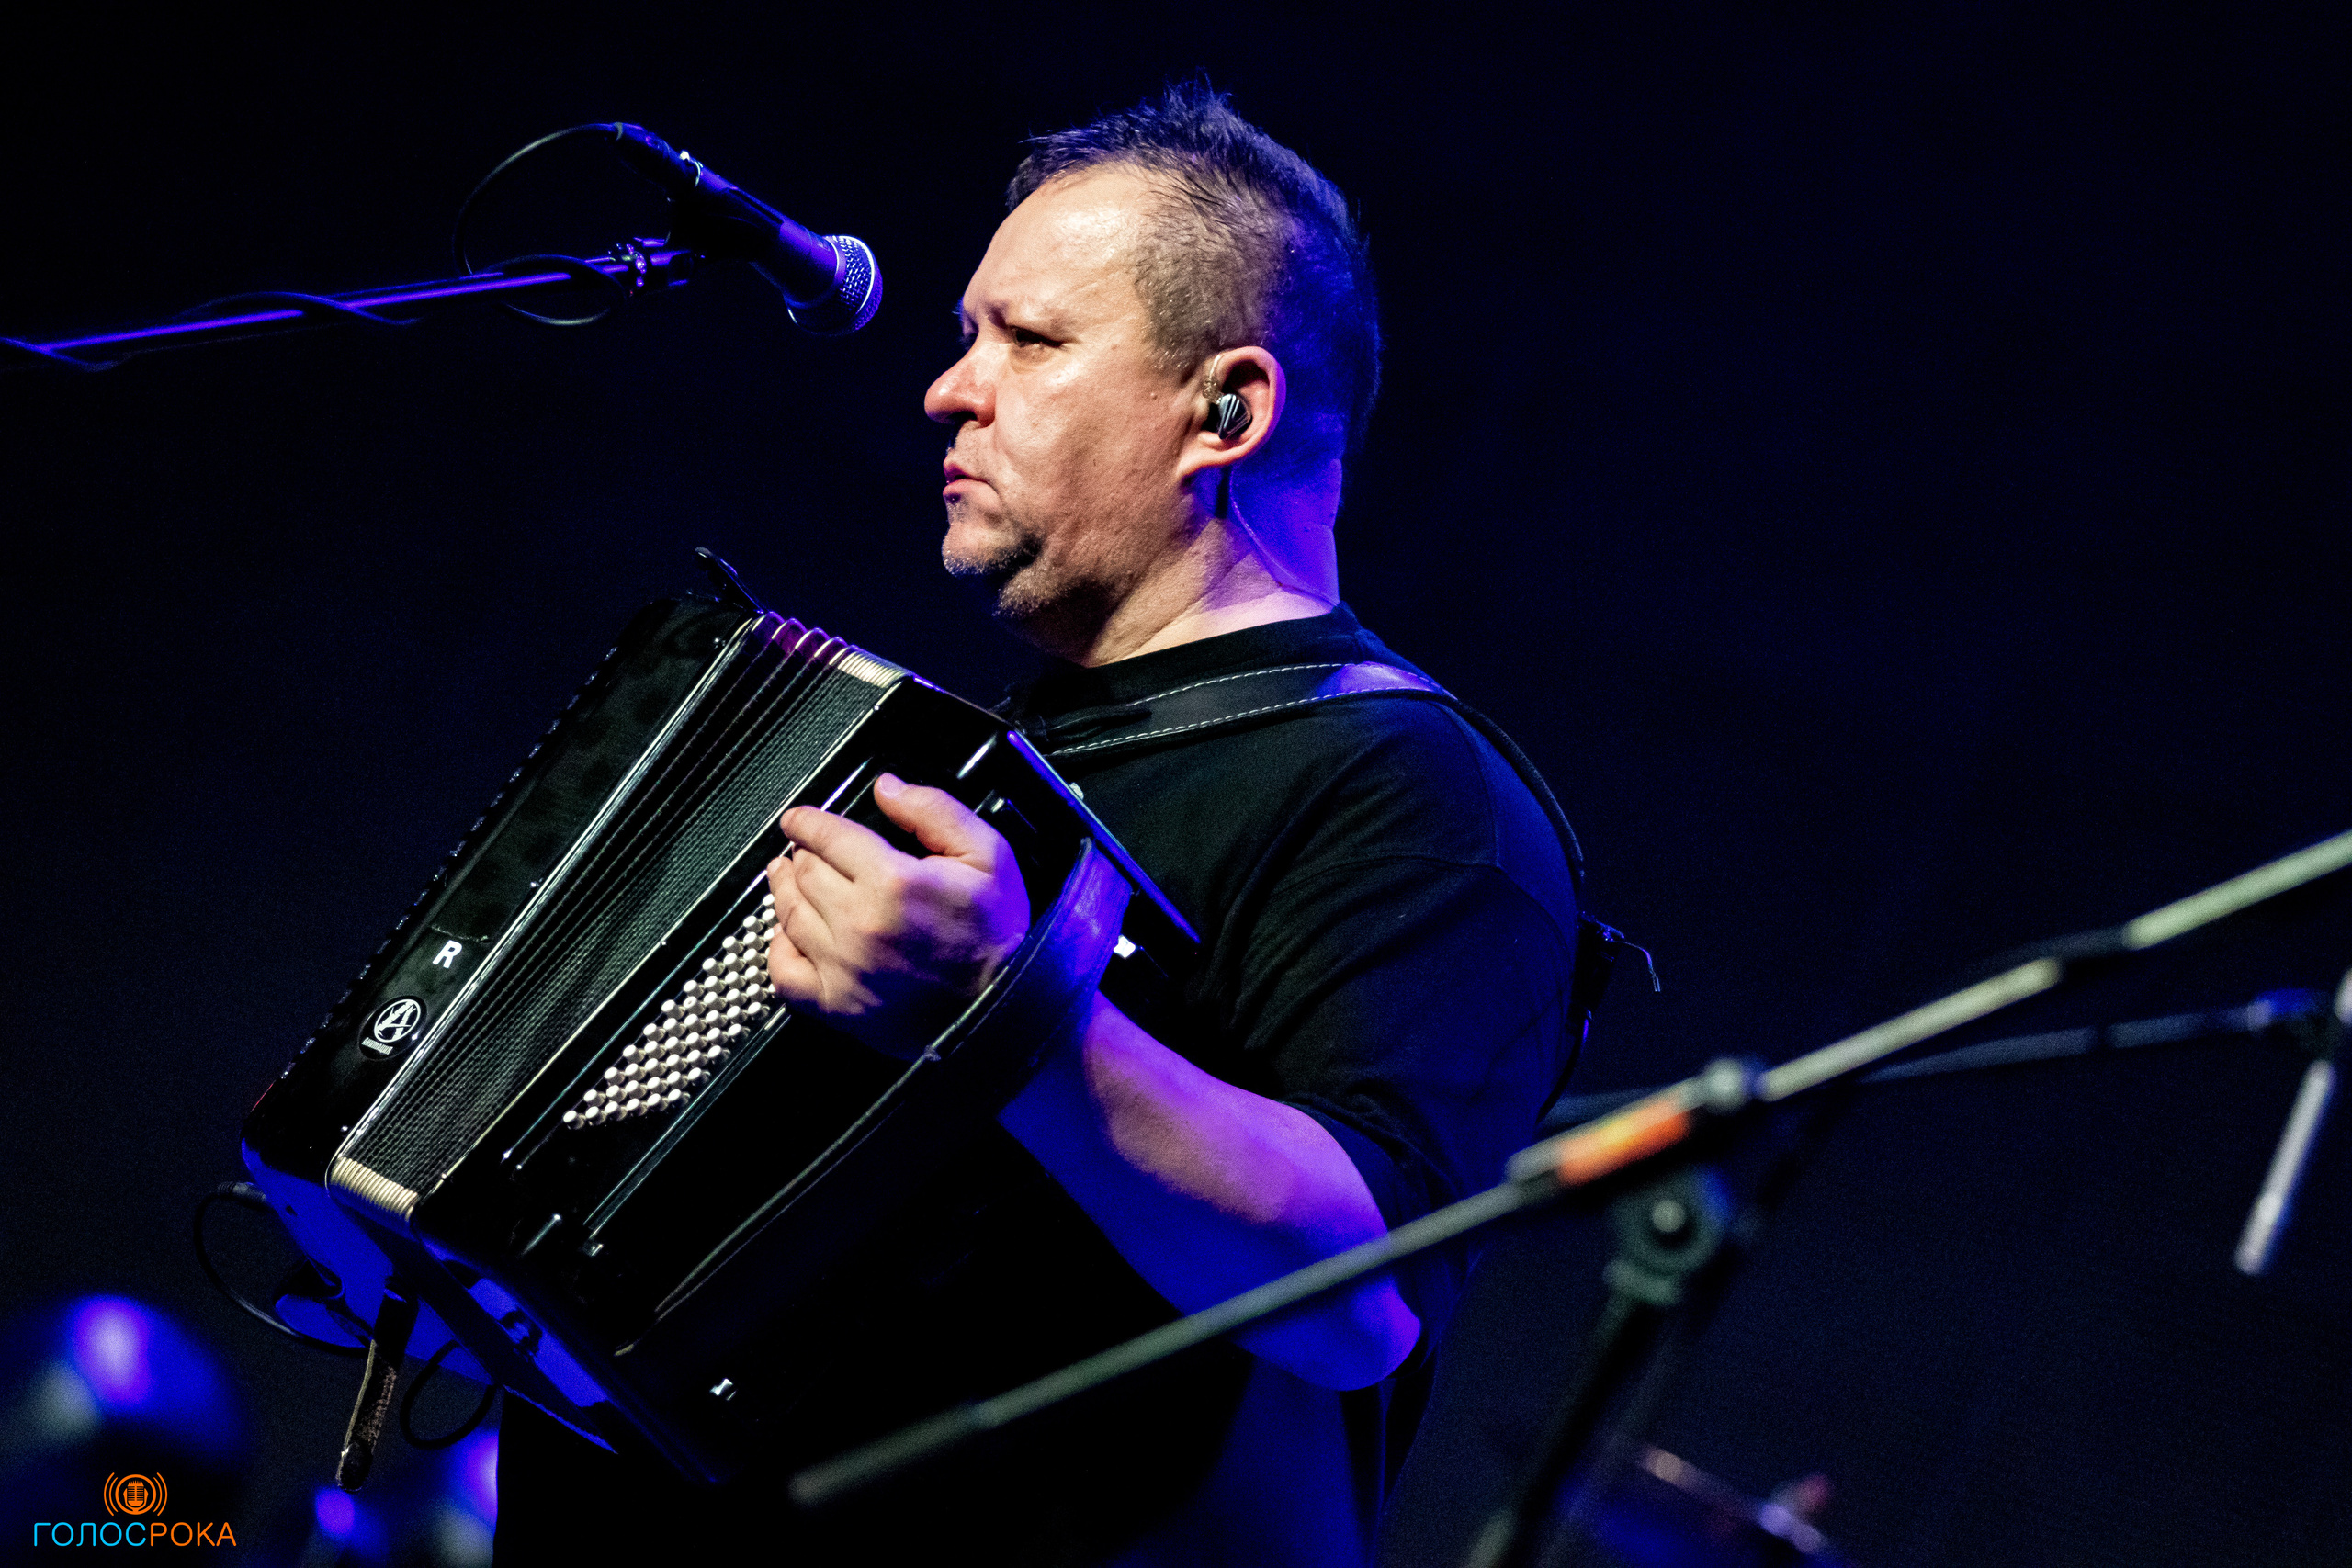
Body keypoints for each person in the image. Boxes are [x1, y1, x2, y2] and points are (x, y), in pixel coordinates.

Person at [495, 84, 1581, 1567]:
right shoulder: (987, 754)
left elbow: (1359, 1297)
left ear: (1228, 409)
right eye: (964, 335)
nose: (951, 388)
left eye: (1031, 340)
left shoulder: (1418, 790)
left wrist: (1021, 1017)